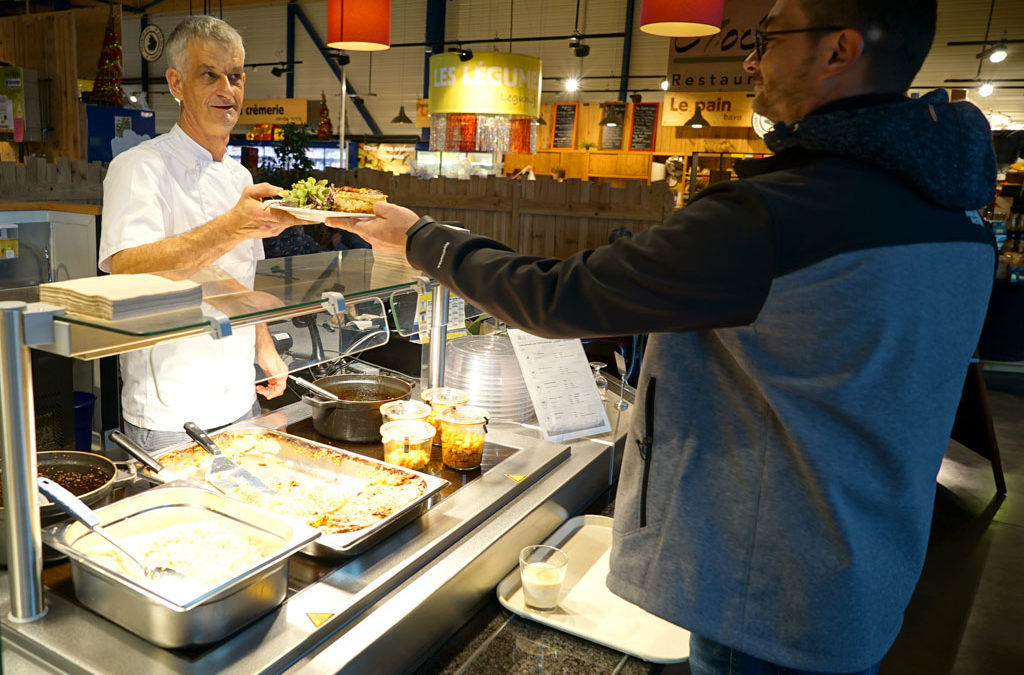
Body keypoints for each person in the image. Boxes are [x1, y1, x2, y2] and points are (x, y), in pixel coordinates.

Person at [328, 0, 997, 672]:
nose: (750, 58)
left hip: (765, 594)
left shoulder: (781, 217)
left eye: (769, 37)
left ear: (839, 51)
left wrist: (419, 237)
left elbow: (556, 298)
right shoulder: (956, 213)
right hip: (864, 570)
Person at [99, 16, 302, 452]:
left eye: (235, 76)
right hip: (173, 411)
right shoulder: (139, 167)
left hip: (240, 396)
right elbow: (126, 268)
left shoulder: (239, 174)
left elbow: (247, 279)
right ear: (176, 83)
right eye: (209, 75)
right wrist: (232, 226)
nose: (227, 91)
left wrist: (263, 346)